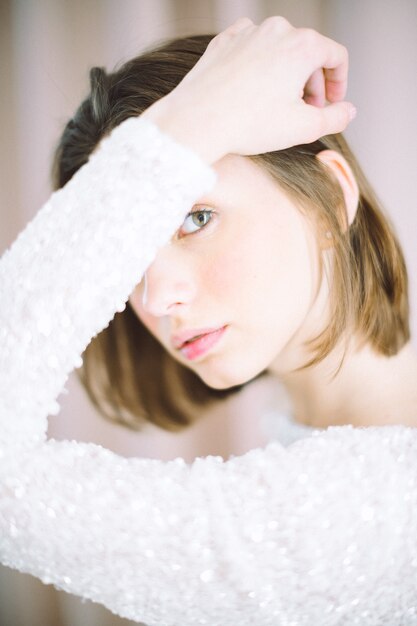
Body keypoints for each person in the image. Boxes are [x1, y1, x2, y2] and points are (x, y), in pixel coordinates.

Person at [0, 16, 416, 625]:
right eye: (125, 253)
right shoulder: (330, 450)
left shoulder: (374, 506)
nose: (156, 297)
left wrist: (190, 123)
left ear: (329, 203)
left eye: (195, 218)